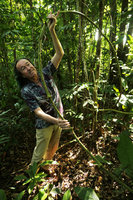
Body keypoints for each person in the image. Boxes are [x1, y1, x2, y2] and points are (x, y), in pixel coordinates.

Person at [14, 11, 70, 170]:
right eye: (23, 68)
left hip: (59, 117)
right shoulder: (26, 90)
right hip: (45, 124)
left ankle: (45, 168)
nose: (28, 68)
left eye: (28, 64)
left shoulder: (46, 72)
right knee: (39, 153)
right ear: (22, 75)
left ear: (32, 64)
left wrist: (52, 30)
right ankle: (32, 176)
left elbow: (60, 53)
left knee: (53, 148)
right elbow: (38, 112)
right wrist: (56, 121)